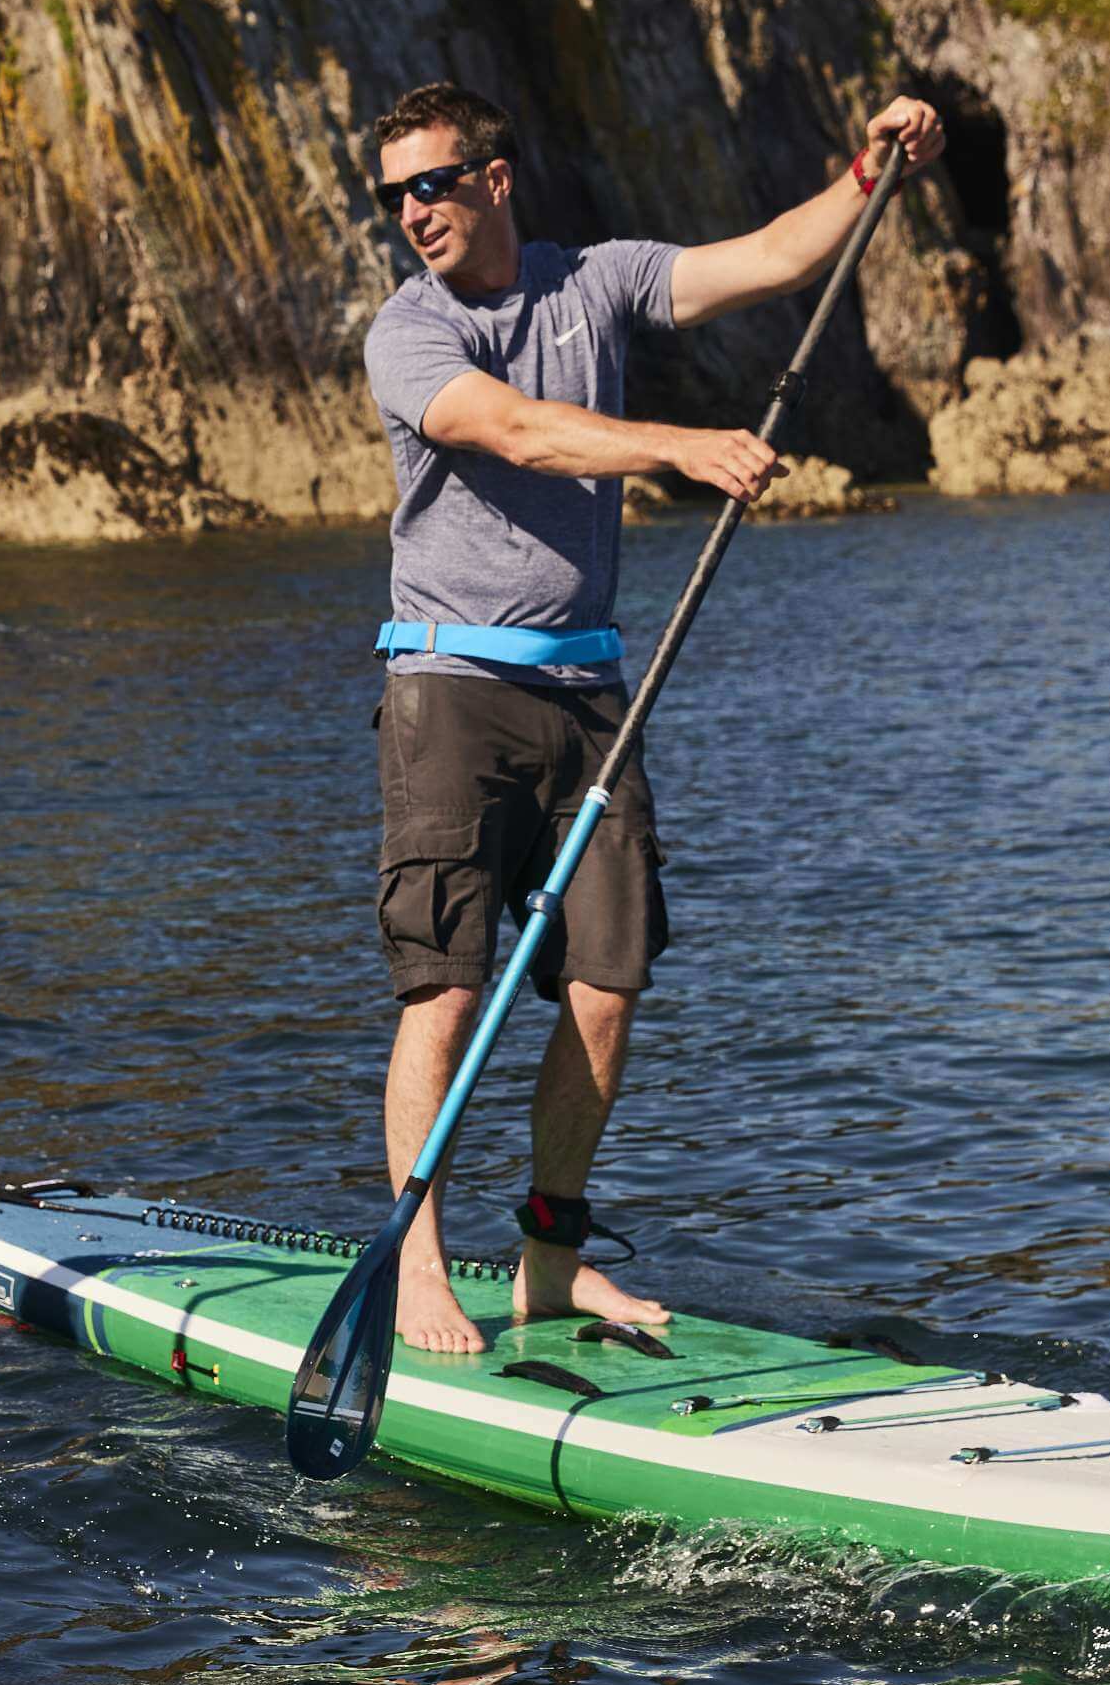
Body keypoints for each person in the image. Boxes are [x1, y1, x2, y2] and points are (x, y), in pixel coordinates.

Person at [358, 84, 939, 1354]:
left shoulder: (598, 281)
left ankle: (549, 1264)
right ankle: (410, 1267)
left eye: (435, 184)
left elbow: (776, 258)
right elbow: (512, 432)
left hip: (591, 697)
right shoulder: (405, 335)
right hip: (453, 693)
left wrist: (870, 170)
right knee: (447, 995)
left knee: (607, 989)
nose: (413, 212)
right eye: (393, 194)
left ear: (497, 178)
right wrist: (677, 444)